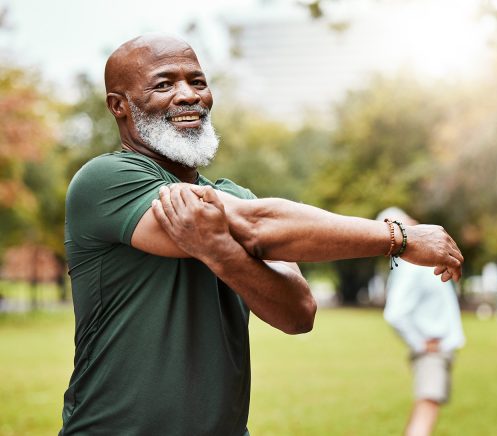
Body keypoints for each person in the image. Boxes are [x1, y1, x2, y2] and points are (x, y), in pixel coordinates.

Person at [60, 34, 464, 435]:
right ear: (119, 106)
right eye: (164, 84)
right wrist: (399, 238)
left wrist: (222, 253)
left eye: (197, 81)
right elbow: (257, 225)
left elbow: (298, 313)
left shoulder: (236, 196)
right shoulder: (105, 180)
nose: (188, 95)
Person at [378, 207, 465, 436]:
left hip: (437, 349)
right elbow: (394, 313)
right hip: (432, 350)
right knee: (427, 409)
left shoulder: (417, 263)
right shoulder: (411, 267)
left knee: (425, 407)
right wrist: (420, 343)